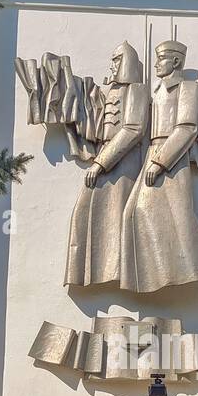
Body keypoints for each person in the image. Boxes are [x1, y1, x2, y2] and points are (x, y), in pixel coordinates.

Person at [119, 40, 198, 293]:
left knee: (176, 219)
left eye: (160, 59)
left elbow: (186, 129)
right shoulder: (155, 92)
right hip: (153, 154)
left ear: (175, 61)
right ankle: (151, 277)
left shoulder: (188, 88)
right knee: (132, 213)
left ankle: (189, 269)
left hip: (171, 161)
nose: (155, 64)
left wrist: (160, 162)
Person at [64, 41, 148, 288]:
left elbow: (132, 130)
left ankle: (121, 273)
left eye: (117, 60)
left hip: (122, 163)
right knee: (85, 214)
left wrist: (100, 164)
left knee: (115, 218)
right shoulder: (111, 91)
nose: (113, 65)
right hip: (106, 156)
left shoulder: (137, 91)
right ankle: (88, 274)